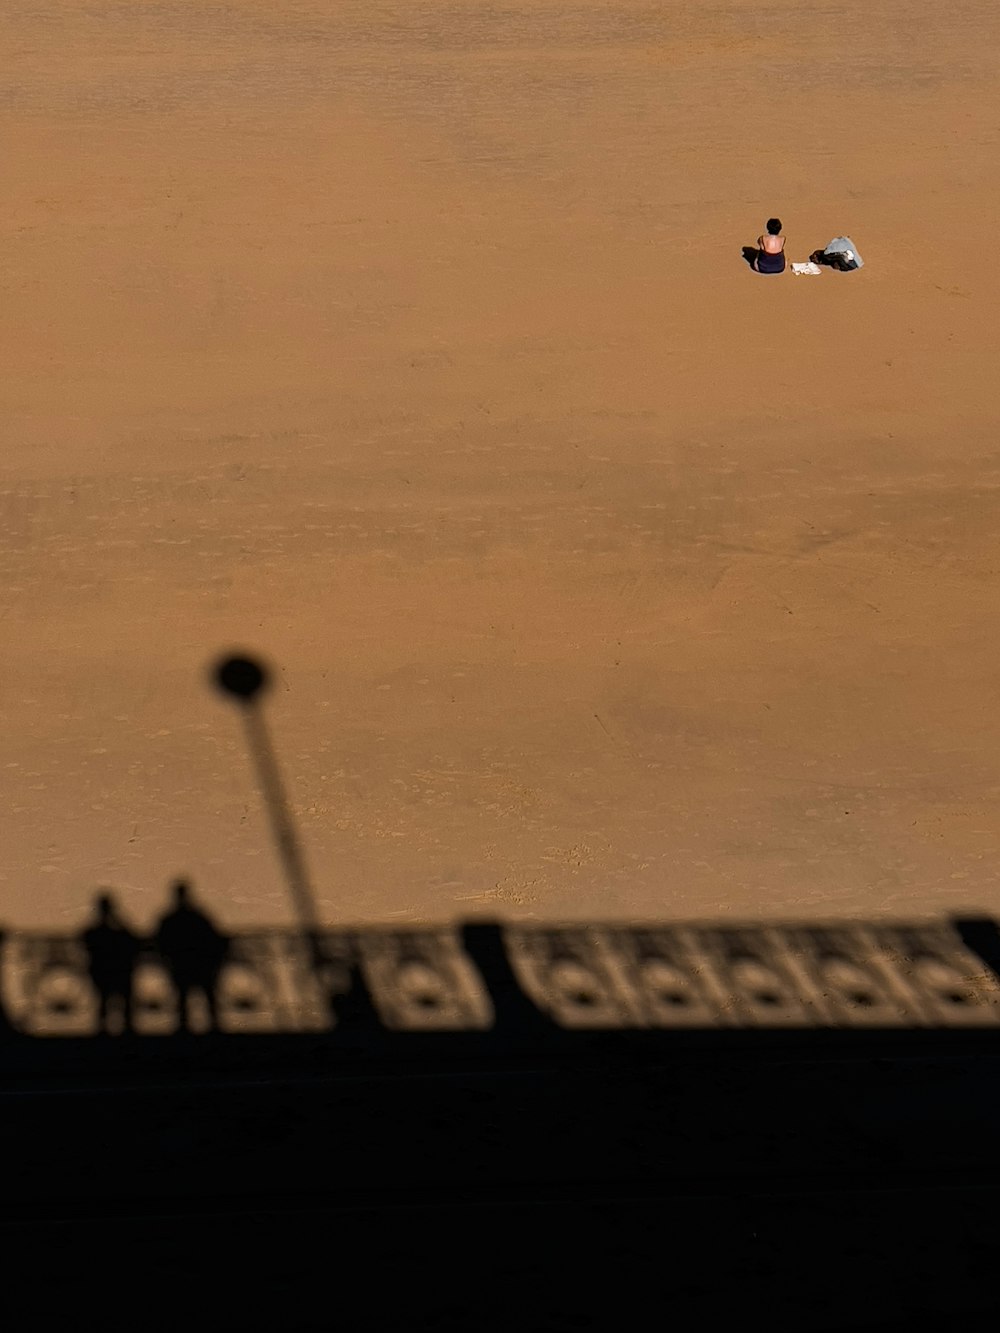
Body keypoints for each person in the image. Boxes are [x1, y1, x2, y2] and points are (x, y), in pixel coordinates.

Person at [154, 879, 229, 1033]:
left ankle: (185, 1029)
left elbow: (161, 943)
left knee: (184, 998)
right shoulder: (198, 917)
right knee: (205, 997)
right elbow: (215, 939)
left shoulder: (170, 919)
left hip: (182, 964)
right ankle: (214, 1028)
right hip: (199, 965)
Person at [82, 893, 142, 1035]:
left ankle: (104, 1033)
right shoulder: (116, 930)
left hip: (104, 971)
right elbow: (133, 940)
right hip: (118, 970)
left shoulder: (96, 931)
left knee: (105, 1003)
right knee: (120, 1004)